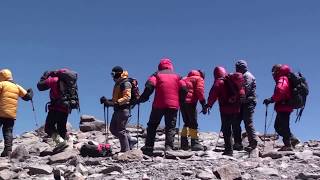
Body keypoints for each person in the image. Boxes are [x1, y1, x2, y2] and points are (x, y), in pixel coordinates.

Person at [138, 58, 187, 155]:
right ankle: (169, 147)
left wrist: (143, 98)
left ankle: (149, 147)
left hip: (158, 105)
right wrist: (181, 100)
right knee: (170, 127)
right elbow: (184, 89)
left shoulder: (156, 74)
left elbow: (149, 86)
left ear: (160, 66)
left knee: (152, 125)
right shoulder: (178, 76)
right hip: (173, 106)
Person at [206, 66, 244, 156]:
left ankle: (228, 150)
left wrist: (208, 105)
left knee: (226, 129)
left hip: (225, 109)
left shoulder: (218, 82)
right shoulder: (231, 80)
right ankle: (238, 144)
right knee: (236, 126)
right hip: (236, 107)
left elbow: (213, 95)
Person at [100, 66, 137, 153]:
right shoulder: (118, 84)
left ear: (118, 73)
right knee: (113, 129)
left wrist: (115, 103)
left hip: (124, 109)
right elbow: (115, 99)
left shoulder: (126, 83)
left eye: (113, 74)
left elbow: (127, 97)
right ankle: (130, 141)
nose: (112, 76)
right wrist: (107, 101)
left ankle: (125, 151)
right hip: (117, 110)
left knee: (120, 130)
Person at [263, 64, 299, 151]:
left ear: (278, 71)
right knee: (279, 126)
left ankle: (288, 145)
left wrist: (271, 99)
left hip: (284, 106)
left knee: (283, 126)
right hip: (285, 106)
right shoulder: (285, 78)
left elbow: (280, 90)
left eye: (274, 71)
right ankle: (292, 140)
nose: (273, 73)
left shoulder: (282, 78)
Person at [0, 69, 33, 157]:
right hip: (11, 114)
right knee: (8, 132)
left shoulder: (1, 84)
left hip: (0, 112)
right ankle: (8, 151)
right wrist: (30, 91)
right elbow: (27, 97)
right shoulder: (16, 86)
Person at [37, 69, 72, 150]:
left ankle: (60, 143)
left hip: (56, 107)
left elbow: (40, 86)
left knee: (48, 127)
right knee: (61, 128)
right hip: (66, 108)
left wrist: (45, 76)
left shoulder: (55, 80)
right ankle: (62, 146)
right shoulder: (70, 83)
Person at [233, 60, 258, 152]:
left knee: (247, 122)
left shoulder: (247, 76)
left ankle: (253, 143)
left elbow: (246, 89)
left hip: (248, 102)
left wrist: (236, 97)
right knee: (236, 122)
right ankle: (238, 143)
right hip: (243, 102)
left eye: (237, 67)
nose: (236, 69)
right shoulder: (244, 75)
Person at [180, 70, 206, 151]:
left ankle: (184, 143)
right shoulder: (199, 79)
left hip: (181, 103)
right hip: (191, 102)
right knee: (193, 123)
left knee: (186, 122)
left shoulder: (184, 78)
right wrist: (203, 103)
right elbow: (199, 91)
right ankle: (194, 143)